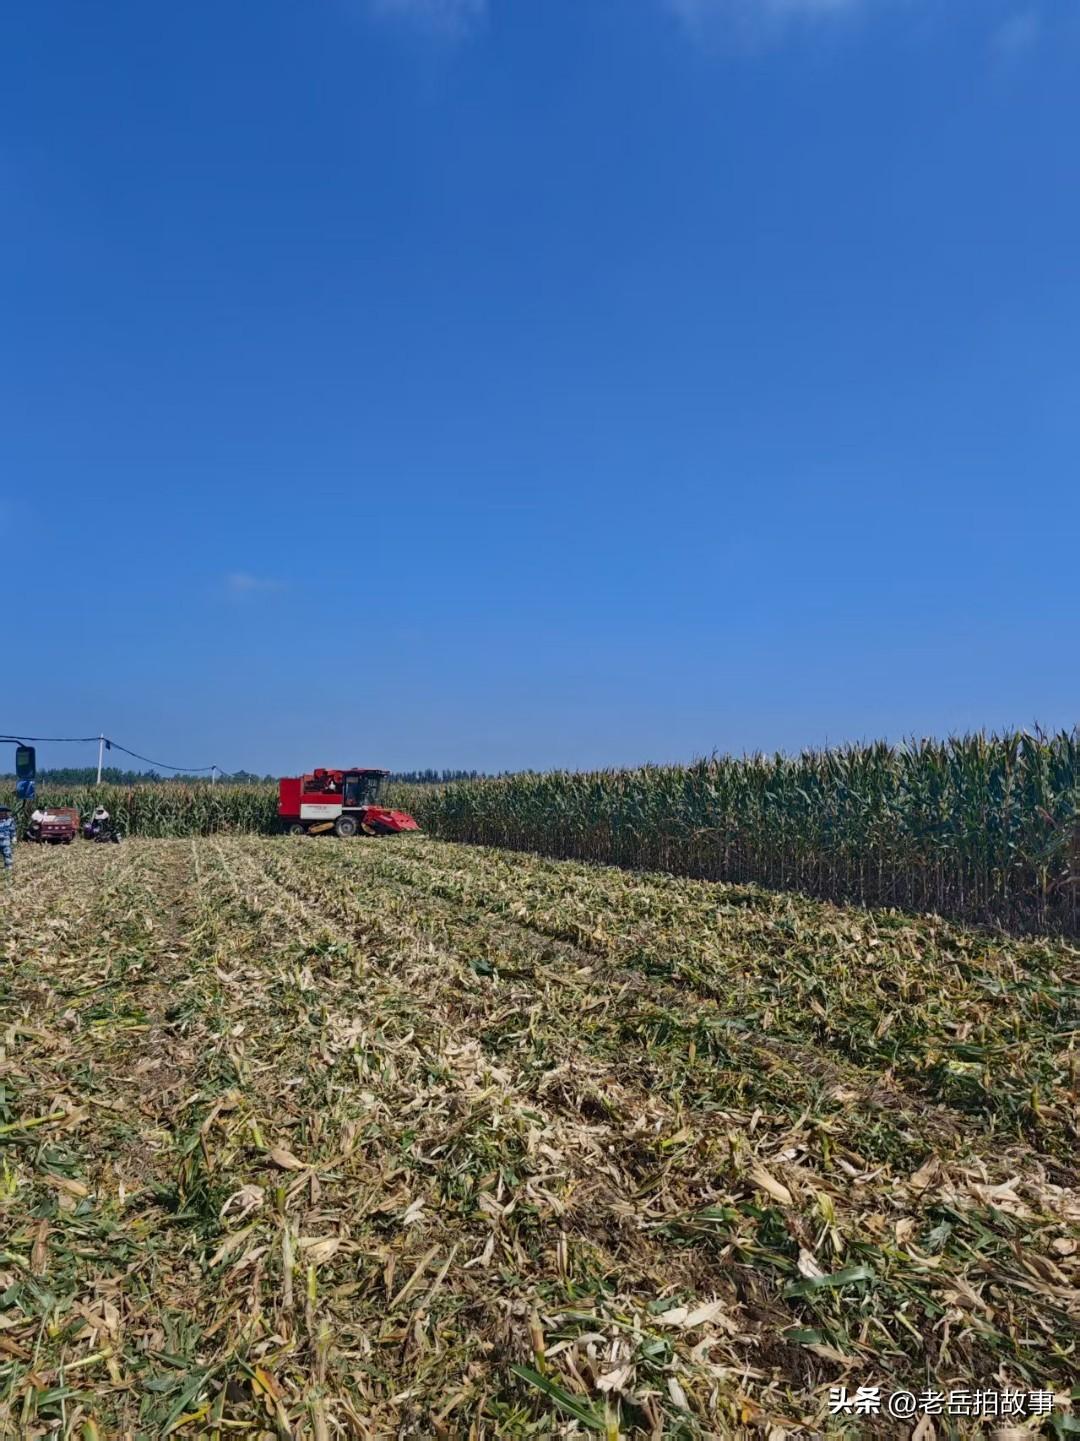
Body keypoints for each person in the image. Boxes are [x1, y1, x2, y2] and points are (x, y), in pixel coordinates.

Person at [0, 805, 16, 873]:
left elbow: (12, 830)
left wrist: (14, 837)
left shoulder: (10, 820)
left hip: (5, 840)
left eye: (3, 812)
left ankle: (8, 866)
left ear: (6, 812)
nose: (2, 813)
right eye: (1, 812)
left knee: (7, 853)